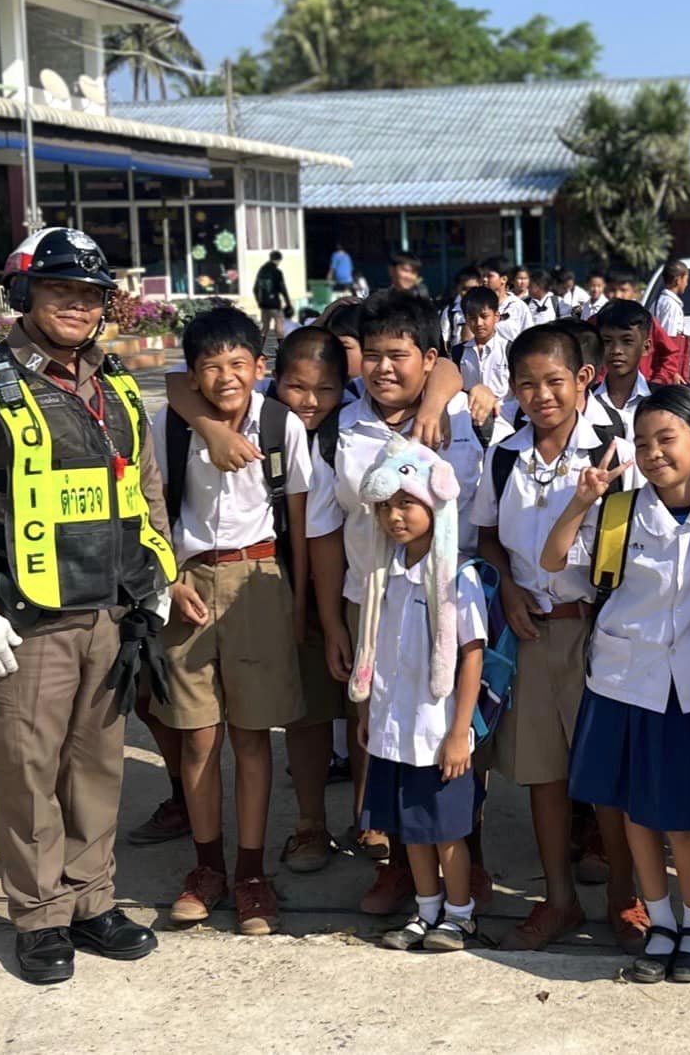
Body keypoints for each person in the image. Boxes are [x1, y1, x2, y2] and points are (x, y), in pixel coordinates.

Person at [0, 227, 176, 984]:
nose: (78, 305)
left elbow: (145, 485)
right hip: (24, 620)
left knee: (97, 765)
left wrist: (156, 572)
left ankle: (92, 897)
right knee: (29, 770)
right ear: (25, 294)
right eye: (62, 290)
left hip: (109, 610)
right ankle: (38, 916)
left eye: (91, 294)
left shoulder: (115, 382)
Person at [305, 290, 503, 916]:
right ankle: (398, 866)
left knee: (461, 742)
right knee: (384, 737)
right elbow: (325, 530)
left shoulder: (465, 418)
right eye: (373, 355)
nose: (384, 368)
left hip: (451, 608)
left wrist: (452, 391)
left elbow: (486, 518)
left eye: (400, 355)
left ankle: (468, 862)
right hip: (374, 608)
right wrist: (333, 619)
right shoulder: (343, 427)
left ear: (429, 358)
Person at [546, 386, 690, 985]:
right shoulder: (620, 513)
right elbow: (554, 562)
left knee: (682, 819)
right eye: (644, 442)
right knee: (634, 812)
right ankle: (660, 922)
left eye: (668, 439)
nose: (654, 454)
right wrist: (580, 503)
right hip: (624, 680)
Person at [474, 326, 648, 954]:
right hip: (530, 634)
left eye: (554, 381)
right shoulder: (504, 452)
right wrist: (509, 590)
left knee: (603, 777)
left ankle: (626, 898)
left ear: (583, 379)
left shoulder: (614, 450)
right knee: (543, 776)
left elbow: (627, 549)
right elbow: (488, 534)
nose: (541, 395)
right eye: (526, 384)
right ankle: (559, 898)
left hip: (596, 631)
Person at [153, 307, 311, 937]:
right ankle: (206, 867)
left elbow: (298, 520)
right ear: (192, 373)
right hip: (188, 582)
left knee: (250, 735)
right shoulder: (169, 422)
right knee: (197, 735)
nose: (225, 376)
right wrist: (167, 579)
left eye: (238, 364)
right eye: (210, 365)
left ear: (259, 368)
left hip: (260, 580)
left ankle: (249, 872)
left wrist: (297, 600)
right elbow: (150, 504)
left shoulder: (281, 424)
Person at [354, 438, 486, 952]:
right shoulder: (384, 575)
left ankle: (460, 915)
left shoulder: (459, 577)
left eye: (407, 504)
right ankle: (424, 910)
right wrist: (368, 710)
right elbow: (377, 650)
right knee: (410, 827)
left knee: (447, 829)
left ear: (435, 505)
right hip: (394, 723)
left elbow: (471, 654)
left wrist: (459, 732)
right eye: (386, 507)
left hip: (437, 729)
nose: (395, 517)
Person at [268, 328, 356, 873]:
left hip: (359, 590)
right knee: (306, 712)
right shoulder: (261, 421)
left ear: (346, 389)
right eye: (296, 387)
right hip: (288, 585)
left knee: (364, 710)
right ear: (273, 380)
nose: (308, 401)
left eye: (324, 390)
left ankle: (371, 821)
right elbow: (183, 384)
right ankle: (309, 823)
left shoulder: (355, 427)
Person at [595, 300, 653, 440]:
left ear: (646, 347)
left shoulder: (659, 400)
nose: (616, 350)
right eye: (607, 341)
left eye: (627, 341)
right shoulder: (587, 400)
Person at [456, 286, 511, 421]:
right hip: (469, 421)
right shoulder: (458, 352)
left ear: (496, 316)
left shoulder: (510, 349)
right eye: (473, 318)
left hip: (503, 420)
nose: (479, 323)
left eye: (484, 316)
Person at [478, 257, 532, 341]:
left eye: (489, 276)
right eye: (483, 276)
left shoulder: (518, 307)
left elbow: (529, 339)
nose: (484, 279)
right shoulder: (477, 305)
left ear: (503, 279)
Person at [253, 251, 292, 344]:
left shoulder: (261, 271)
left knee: (265, 327)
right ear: (279, 260)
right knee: (279, 325)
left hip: (263, 303)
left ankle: (260, 350)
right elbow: (282, 288)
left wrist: (259, 301)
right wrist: (288, 303)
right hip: (274, 303)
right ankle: (281, 347)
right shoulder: (277, 272)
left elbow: (255, 288)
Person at [441, 267, 481, 350]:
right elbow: (445, 340)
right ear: (457, 289)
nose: (468, 293)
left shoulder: (487, 309)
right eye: (464, 289)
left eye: (472, 288)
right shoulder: (450, 312)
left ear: (480, 286)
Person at [651, 260, 688, 338]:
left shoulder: (658, 302)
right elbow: (669, 338)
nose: (686, 284)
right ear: (678, 280)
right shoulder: (671, 306)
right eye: (686, 280)